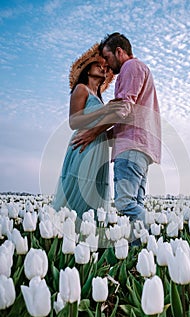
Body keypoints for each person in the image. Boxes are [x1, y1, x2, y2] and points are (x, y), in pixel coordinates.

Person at [72, 33, 161, 227]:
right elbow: (127, 115)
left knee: (125, 203)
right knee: (135, 203)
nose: (107, 65)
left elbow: (122, 110)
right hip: (141, 147)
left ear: (119, 51)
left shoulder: (131, 67)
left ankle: (153, 235)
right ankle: (141, 249)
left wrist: (94, 132)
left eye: (108, 58)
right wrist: (104, 134)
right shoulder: (141, 69)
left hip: (131, 146)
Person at [52, 43, 115, 229]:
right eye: (98, 65)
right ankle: (69, 236)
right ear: (87, 70)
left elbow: (102, 128)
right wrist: (105, 112)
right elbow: (74, 122)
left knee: (95, 193)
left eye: (104, 67)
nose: (102, 68)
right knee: (80, 191)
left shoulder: (99, 98)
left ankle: (88, 239)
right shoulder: (81, 89)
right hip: (83, 146)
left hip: (99, 149)